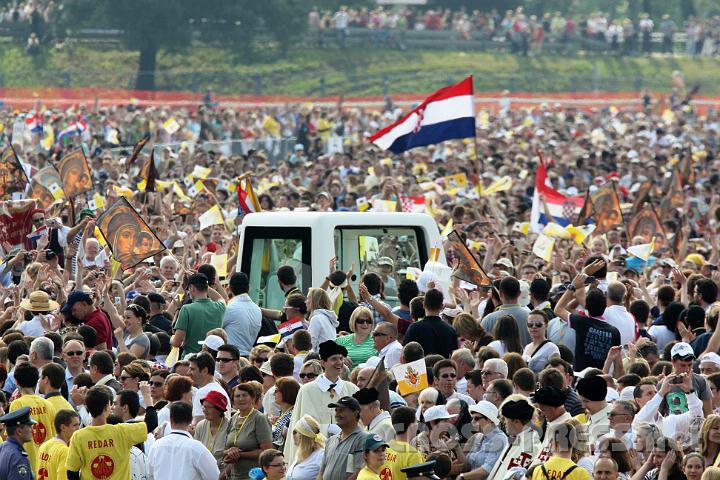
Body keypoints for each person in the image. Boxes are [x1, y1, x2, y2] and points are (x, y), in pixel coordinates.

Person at [284, 341, 359, 462]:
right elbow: (302, 425)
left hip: (345, 453)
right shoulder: (307, 390)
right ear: (323, 362)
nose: (339, 362)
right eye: (334, 359)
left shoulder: (352, 389)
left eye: (341, 358)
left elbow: (360, 422)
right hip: (314, 455)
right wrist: (327, 428)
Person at [66, 385, 149, 480]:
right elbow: (151, 423)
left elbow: (72, 471)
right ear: (106, 407)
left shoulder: (79, 436)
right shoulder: (122, 431)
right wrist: (147, 398)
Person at [148, 401, 220, 480]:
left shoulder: (156, 446)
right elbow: (215, 476)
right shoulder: (197, 448)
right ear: (190, 420)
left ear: (171, 420)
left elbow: (150, 475)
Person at [10, 362, 57, 473]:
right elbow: (54, 434)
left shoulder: (17, 404)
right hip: (47, 463)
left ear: (17, 382)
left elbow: (13, 436)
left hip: (26, 463)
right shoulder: (48, 404)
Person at [222, 383, 273, 479]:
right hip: (234, 476)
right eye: (237, 396)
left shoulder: (259, 418)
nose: (241, 399)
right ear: (233, 400)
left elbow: (267, 452)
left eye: (245, 395)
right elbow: (225, 449)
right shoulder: (233, 419)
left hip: (254, 476)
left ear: (252, 398)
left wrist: (240, 455)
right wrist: (230, 452)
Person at [171, 273, 226, 356]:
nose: (188, 292)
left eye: (188, 288)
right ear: (206, 288)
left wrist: (171, 338)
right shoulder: (220, 307)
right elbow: (220, 298)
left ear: (192, 288)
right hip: (212, 359)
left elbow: (176, 343)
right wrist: (204, 284)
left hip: (190, 360)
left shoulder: (186, 309)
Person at [487, 398, 540, 479]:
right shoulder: (515, 438)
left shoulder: (532, 445)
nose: (504, 422)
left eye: (505, 419)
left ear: (516, 421)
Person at [318, 396, 366, 480]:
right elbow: (321, 472)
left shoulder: (363, 439)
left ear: (355, 413)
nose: (337, 414)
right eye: (336, 410)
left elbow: (359, 473)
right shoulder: (331, 440)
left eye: (341, 410)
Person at [404, 289, 458, 358]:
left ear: (423, 305)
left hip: (421, 368)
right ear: (441, 306)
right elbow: (454, 356)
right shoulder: (451, 330)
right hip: (442, 367)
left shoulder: (414, 328)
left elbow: (404, 355)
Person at [463, 401, 508, 479]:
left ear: (490, 419)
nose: (472, 422)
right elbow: (467, 464)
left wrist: (462, 477)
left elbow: (486, 471)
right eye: (472, 418)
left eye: (476, 418)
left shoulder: (499, 439)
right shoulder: (478, 436)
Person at [223, 272, 262, 356]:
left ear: (229, 288)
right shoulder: (257, 310)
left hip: (230, 358)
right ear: (249, 287)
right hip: (248, 358)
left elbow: (215, 329)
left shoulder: (230, 308)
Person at [36, 409, 81, 480]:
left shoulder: (44, 445)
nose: (78, 429)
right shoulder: (65, 451)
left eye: (79, 425)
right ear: (63, 427)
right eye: (75, 425)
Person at [194, 390, 231, 470]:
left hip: (223, 471)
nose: (204, 410)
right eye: (203, 406)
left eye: (209, 407)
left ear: (219, 409)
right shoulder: (200, 426)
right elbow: (196, 452)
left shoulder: (230, 426)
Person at [190, 352, 230, 424]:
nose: (188, 372)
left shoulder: (203, 392)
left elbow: (198, 426)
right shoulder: (218, 387)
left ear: (205, 371)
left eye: (192, 369)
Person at [0, 407, 35, 480]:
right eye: (29, 426)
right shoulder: (19, 458)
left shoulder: (3, 447)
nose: (33, 430)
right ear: (19, 431)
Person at [286, 414, 325, 480]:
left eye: (295, 432)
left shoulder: (321, 455)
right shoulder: (300, 454)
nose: (293, 435)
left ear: (302, 436)